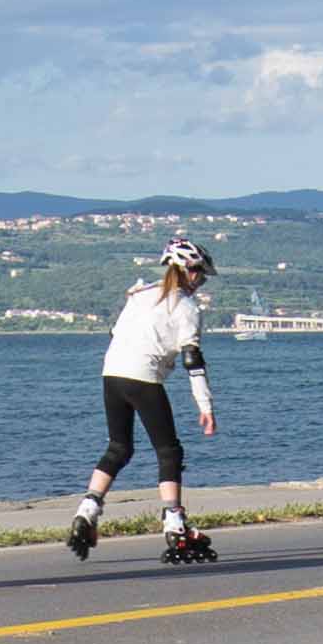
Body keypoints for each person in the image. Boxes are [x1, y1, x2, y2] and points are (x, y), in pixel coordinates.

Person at [74, 237, 220, 563]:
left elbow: (115, 334)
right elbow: (192, 360)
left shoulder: (139, 295)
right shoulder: (187, 308)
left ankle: (88, 508)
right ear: (189, 271)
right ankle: (175, 522)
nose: (202, 281)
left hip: (111, 374)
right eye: (201, 274)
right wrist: (205, 406)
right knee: (169, 451)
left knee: (119, 447)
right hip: (144, 377)